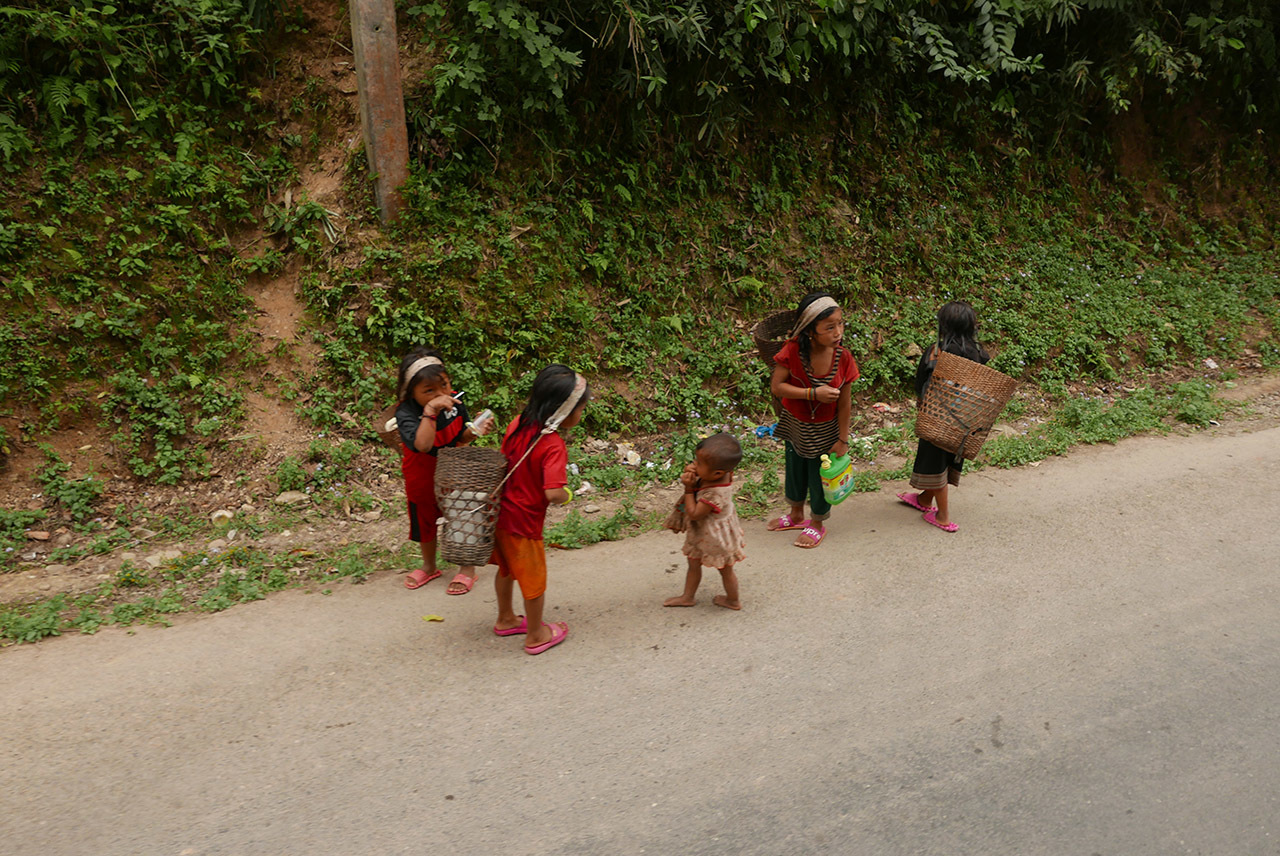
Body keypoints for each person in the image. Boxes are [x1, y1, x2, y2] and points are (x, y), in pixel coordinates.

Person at [490, 364, 588, 655]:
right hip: (524, 523)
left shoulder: (518, 422)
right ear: (565, 410)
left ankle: (506, 618)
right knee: (533, 580)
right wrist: (569, 495)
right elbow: (553, 493)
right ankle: (536, 634)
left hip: (499, 514)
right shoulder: (553, 445)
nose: (581, 415)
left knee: (507, 570)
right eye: (580, 409)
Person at [766, 292, 859, 548]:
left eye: (840, 323)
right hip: (795, 424)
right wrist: (813, 394)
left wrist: (842, 439)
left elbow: (845, 403)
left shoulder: (845, 358)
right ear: (810, 331)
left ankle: (817, 523)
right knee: (795, 470)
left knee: (822, 477)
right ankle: (796, 514)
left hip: (827, 429)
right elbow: (777, 387)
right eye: (829, 327)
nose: (838, 331)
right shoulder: (793, 351)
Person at [394, 348, 488, 592]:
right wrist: (430, 411)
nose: (441, 394)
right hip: (421, 476)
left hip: (455, 471)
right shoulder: (406, 412)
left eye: (444, 385)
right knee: (424, 520)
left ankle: (467, 568)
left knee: (462, 515)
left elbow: (462, 437)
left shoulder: (456, 401)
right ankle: (428, 566)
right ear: (410, 393)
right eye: (429, 391)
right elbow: (423, 445)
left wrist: (476, 429)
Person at [896, 300, 990, 533]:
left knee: (934, 461)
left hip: (937, 417)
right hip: (965, 420)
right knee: (947, 460)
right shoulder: (979, 354)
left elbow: (920, 384)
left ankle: (943, 516)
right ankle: (925, 500)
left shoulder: (936, 352)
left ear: (944, 326)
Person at [662, 433, 747, 610]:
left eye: (698, 464)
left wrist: (688, 488)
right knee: (693, 563)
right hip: (705, 534)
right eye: (695, 460)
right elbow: (704, 471)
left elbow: (694, 513)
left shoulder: (713, 493)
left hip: (715, 539)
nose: (694, 465)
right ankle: (687, 597)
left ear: (717, 473)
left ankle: (733, 600)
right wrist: (695, 470)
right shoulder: (721, 472)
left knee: (725, 569)